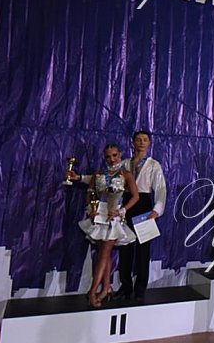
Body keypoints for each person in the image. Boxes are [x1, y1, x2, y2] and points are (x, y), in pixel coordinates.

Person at [68, 144, 139, 307]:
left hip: (113, 217)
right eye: (108, 156)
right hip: (99, 215)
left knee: (104, 254)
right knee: (103, 254)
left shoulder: (126, 174)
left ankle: (93, 291)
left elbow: (135, 197)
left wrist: (121, 211)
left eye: (114, 155)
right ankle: (106, 287)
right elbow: (90, 192)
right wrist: (90, 209)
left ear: (120, 155)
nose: (111, 159)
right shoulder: (99, 173)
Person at [116, 130, 167, 302]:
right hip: (127, 205)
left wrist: (156, 210)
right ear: (133, 142)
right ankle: (125, 287)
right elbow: (106, 177)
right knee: (125, 249)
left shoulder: (153, 165)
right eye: (138, 140)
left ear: (149, 143)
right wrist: (80, 178)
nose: (141, 143)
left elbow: (161, 189)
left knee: (143, 251)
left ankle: (140, 289)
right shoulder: (124, 164)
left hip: (144, 206)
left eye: (145, 140)